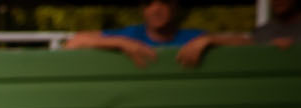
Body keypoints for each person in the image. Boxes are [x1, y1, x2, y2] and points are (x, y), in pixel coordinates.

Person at [66, 0, 213, 65]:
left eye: (164, 2)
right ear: (142, 9)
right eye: (149, 3)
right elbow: (74, 42)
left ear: (175, 6)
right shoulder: (131, 35)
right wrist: (121, 43)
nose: (156, 8)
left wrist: (208, 41)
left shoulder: (192, 37)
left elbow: (236, 40)